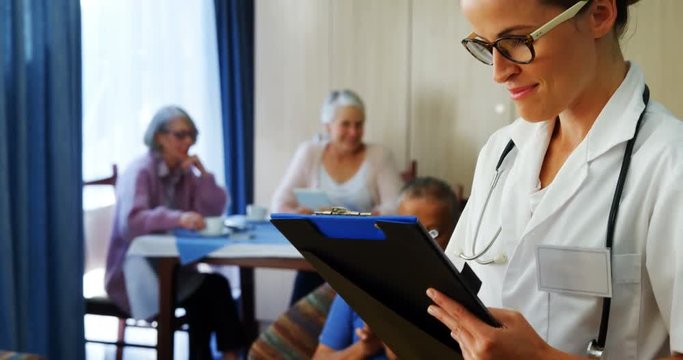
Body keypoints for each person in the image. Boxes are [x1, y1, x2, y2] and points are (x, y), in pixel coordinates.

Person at [424, 0, 683, 359]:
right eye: (485, 46)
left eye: (516, 40)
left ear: (599, 14)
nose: (499, 73)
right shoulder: (501, 151)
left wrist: (542, 358)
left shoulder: (670, 162)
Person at [104, 106, 244, 360]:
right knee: (212, 290)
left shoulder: (184, 173)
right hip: (136, 273)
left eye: (191, 135)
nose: (188, 141)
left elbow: (215, 208)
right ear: (159, 136)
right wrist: (178, 217)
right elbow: (132, 222)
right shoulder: (140, 171)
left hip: (173, 269)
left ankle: (220, 355)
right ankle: (228, 355)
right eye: (180, 135)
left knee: (210, 291)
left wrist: (203, 175)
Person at [271, 89, 403, 305]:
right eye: (346, 124)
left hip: (362, 255)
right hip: (319, 252)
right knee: (303, 300)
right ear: (327, 126)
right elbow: (279, 204)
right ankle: (300, 334)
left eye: (359, 124)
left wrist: (367, 216)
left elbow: (398, 206)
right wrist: (297, 214)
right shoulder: (309, 152)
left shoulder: (379, 155)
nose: (353, 132)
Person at [313, 177, 460, 360]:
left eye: (433, 233)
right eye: (408, 231)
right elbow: (320, 357)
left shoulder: (457, 301)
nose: (420, 244)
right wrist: (365, 348)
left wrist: (397, 347)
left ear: (456, 230)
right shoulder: (361, 281)